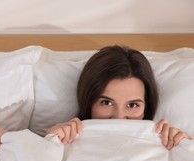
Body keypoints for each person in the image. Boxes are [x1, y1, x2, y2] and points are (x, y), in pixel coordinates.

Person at [46, 45, 192, 150]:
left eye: (133, 105)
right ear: (88, 102)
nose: (119, 117)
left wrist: (186, 147)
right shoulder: (62, 141)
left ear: (147, 106)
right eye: (106, 102)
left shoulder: (166, 143)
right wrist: (49, 143)